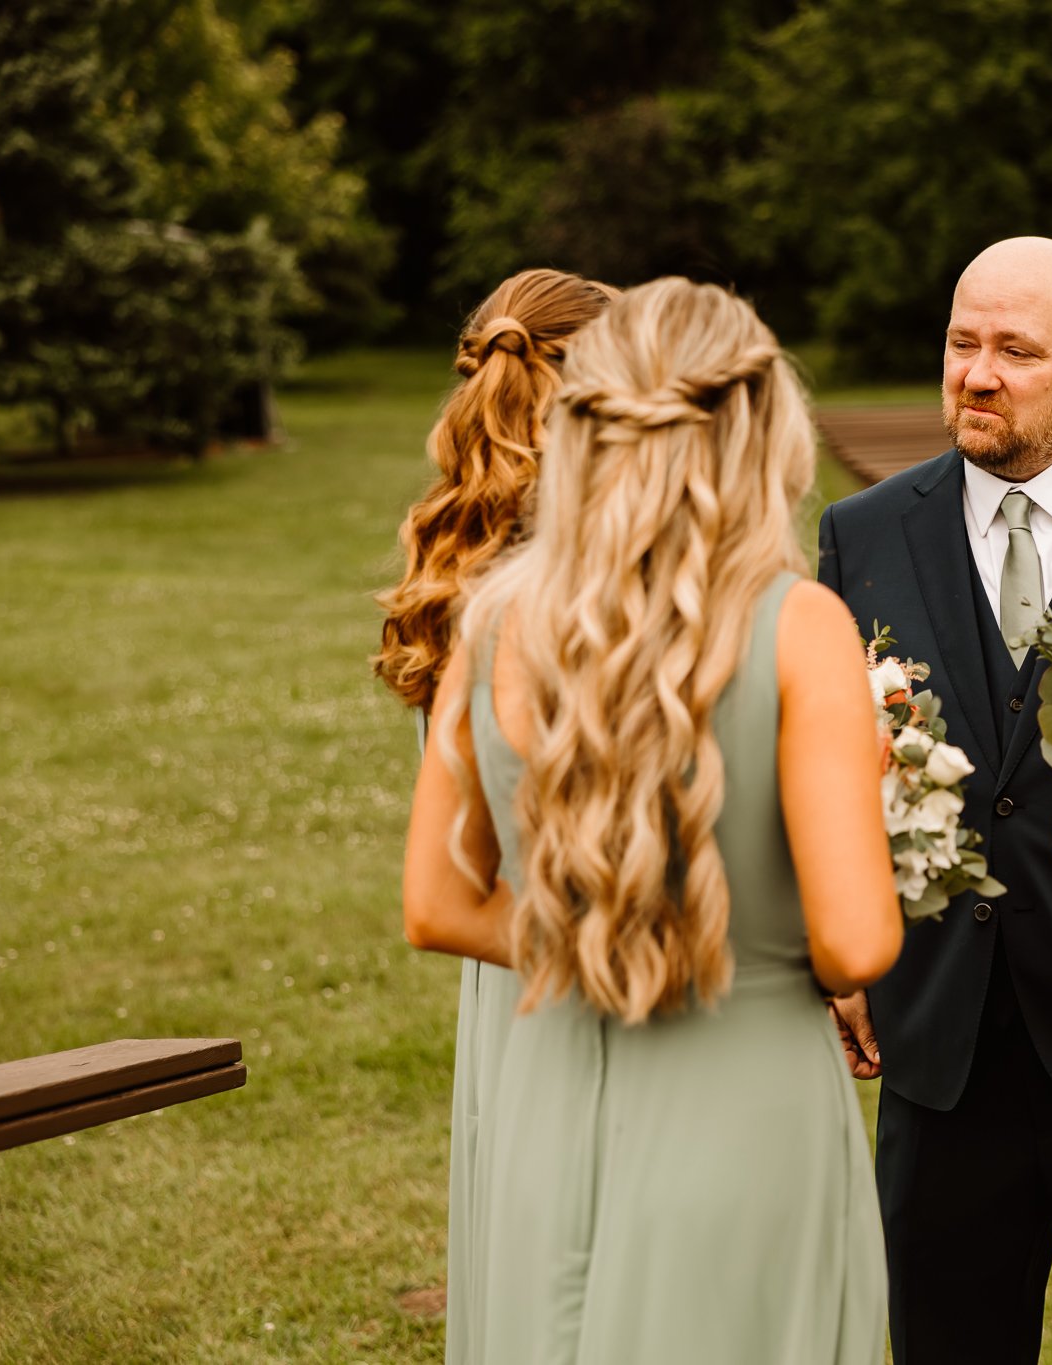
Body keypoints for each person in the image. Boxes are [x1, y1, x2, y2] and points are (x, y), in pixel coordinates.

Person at [401, 278, 901, 1362]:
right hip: (745, 1097)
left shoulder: (494, 624)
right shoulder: (797, 625)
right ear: (759, 434)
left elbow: (437, 904)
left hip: (548, 1096)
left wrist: (597, 933)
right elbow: (855, 940)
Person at [817, 237, 1052, 1363]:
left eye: (1016, 350)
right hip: (937, 1044)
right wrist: (849, 950)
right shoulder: (862, 533)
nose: (976, 373)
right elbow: (834, 757)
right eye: (963, 342)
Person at [372, 266, 612, 1364]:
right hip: (587, 955)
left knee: (537, 1268)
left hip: (505, 966)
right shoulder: (568, 586)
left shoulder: (466, 549)